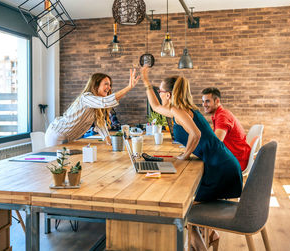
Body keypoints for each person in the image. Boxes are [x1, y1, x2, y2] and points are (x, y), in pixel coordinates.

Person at [141, 66, 242, 251]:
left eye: (161, 92)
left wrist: (183, 157)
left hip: (220, 169)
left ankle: (203, 243)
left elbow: (195, 134)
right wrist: (146, 82)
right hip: (220, 164)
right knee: (184, 203)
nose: (160, 95)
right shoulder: (179, 109)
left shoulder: (179, 111)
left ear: (169, 95)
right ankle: (210, 236)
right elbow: (155, 106)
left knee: (181, 206)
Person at [45, 69, 139, 147]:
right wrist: (129, 87)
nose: (109, 88)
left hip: (69, 137)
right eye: (106, 84)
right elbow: (105, 102)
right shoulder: (86, 97)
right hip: (57, 134)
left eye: (110, 85)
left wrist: (108, 140)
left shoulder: (96, 104)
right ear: (96, 85)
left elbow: (100, 124)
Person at [201, 87, 251, 171]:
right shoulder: (219, 114)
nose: (204, 104)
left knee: (200, 167)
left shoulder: (222, 116)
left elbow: (216, 144)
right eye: (203, 101)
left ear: (217, 101)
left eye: (207, 101)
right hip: (235, 157)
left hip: (237, 161)